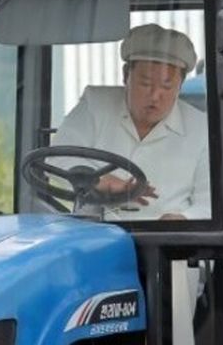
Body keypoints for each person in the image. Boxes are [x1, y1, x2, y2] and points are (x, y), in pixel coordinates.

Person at [54, 23, 209, 221]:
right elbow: (57, 158)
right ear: (126, 75)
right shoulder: (96, 104)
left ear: (180, 84)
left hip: (167, 244)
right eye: (145, 83)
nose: (155, 96)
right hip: (97, 234)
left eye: (167, 86)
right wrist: (100, 181)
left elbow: (210, 204)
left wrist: (182, 219)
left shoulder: (201, 128)